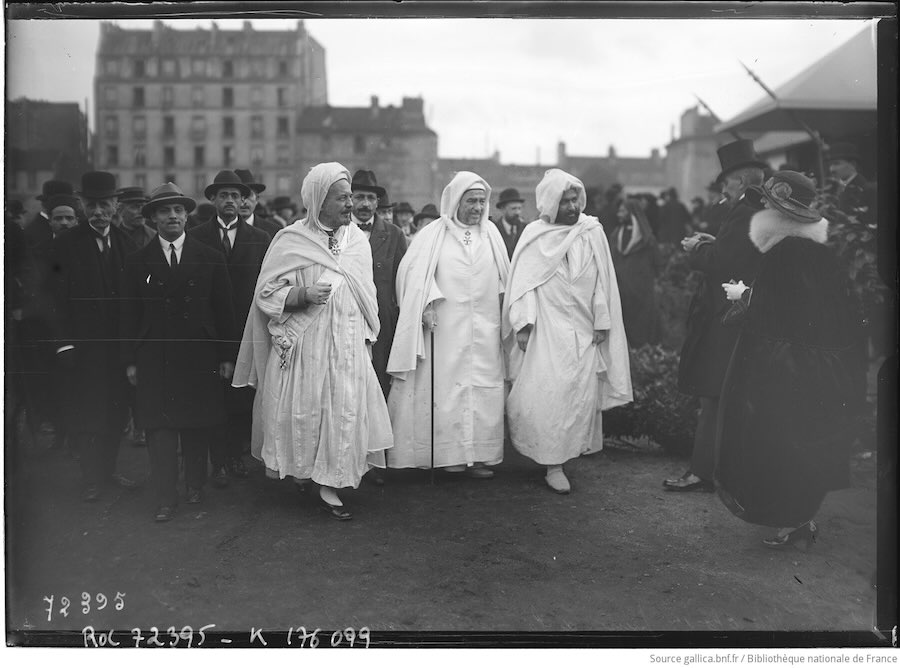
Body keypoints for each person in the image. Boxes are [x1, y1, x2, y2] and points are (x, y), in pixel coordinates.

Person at [233, 162, 392, 521]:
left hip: (348, 345)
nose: (350, 204)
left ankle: (331, 482)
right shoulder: (291, 240)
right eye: (341, 198)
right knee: (308, 407)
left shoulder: (358, 243)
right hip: (307, 346)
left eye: (351, 196)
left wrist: (366, 336)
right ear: (319, 201)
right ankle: (306, 472)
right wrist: (300, 294)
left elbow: (368, 295)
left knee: (342, 410)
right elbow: (266, 295)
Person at [715, 171, 859, 548]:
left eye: (766, 200)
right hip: (814, 365)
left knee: (783, 438)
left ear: (781, 211)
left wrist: (747, 301)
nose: (760, 205)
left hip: (783, 364)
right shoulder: (815, 253)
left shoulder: (786, 252)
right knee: (802, 437)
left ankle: (794, 520)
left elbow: (779, 317)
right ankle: (798, 517)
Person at [503, 169, 632, 494]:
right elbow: (524, 284)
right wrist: (524, 323)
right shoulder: (535, 234)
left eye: (576, 199)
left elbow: (602, 280)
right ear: (551, 202)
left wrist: (602, 321)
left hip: (583, 327)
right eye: (566, 201)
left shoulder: (591, 231)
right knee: (547, 393)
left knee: (577, 392)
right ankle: (552, 462)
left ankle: (563, 454)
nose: (573, 206)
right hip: (547, 327)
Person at [120, 182, 237, 522]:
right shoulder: (138, 261)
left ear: (187, 215)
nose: (171, 216)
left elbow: (224, 310)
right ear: (153, 218)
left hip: (198, 354)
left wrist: (227, 356)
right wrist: (129, 359)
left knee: (197, 423)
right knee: (159, 428)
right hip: (155, 357)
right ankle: (165, 496)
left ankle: (195, 485)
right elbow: (128, 314)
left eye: (177, 210)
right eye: (163, 211)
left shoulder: (210, 257)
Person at [387, 171, 510, 479]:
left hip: (484, 327)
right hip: (445, 328)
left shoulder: (492, 234)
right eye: (471, 201)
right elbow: (412, 274)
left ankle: (478, 455)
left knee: (482, 388)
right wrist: (427, 303)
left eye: (482, 201)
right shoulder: (435, 233)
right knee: (448, 391)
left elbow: (505, 278)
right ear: (456, 201)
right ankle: (448, 455)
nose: (478, 208)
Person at [665, 138, 765, 493]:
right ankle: (722, 471)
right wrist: (712, 241)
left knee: (713, 395)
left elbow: (722, 264)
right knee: (728, 396)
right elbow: (735, 253)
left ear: (739, 180)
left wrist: (697, 249)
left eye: (727, 180)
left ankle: (702, 472)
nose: (723, 187)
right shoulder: (756, 208)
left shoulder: (742, 211)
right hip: (741, 311)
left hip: (725, 316)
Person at [53, 172, 140, 501]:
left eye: (105, 204)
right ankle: (91, 478)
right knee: (88, 413)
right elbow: (55, 300)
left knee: (116, 412)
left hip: (117, 349)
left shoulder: (126, 244)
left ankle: (109, 471)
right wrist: (63, 343)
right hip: (82, 348)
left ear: (115, 205)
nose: (98, 211)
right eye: (92, 205)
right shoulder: (65, 245)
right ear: (83, 206)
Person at [189, 170, 272, 487]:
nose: (230, 201)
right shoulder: (197, 236)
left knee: (240, 396)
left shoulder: (260, 240)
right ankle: (218, 460)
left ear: (244, 200)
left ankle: (235, 456)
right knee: (212, 397)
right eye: (223, 195)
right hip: (208, 333)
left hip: (246, 330)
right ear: (213, 199)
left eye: (236, 196)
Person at [610, 198, 662, 347]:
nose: (619, 214)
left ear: (631, 213)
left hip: (642, 287)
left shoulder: (646, 238)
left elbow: (656, 261)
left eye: (622, 211)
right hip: (622, 286)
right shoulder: (616, 235)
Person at [824, 142, 877, 225]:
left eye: (836, 163)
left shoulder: (868, 190)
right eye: (830, 165)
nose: (832, 169)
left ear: (853, 164)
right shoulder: (832, 190)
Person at [235, 168, 282, 239]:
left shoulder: (273, 231)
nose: (244, 202)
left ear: (257, 199)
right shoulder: (219, 231)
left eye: (248, 195)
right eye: (239, 195)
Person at [493, 187, 526, 258]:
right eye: (513, 209)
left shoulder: (526, 229)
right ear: (502, 209)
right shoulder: (494, 230)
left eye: (519, 208)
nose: (517, 212)